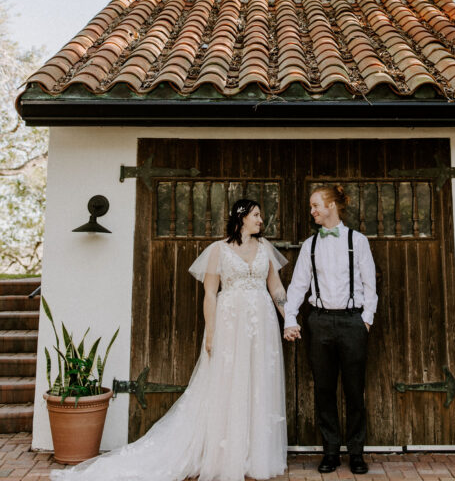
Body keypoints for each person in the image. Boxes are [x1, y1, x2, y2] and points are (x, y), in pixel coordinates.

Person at [51, 199, 288, 481]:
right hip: (230, 324)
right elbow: (210, 293)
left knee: (257, 383)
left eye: (260, 215)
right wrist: (211, 332)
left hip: (262, 325)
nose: (262, 220)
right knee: (227, 384)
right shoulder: (219, 250)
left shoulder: (265, 249)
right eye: (257, 215)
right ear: (241, 218)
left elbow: (276, 287)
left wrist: (290, 318)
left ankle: (253, 454)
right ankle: (226, 454)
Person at [283, 185, 377, 476]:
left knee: (353, 390)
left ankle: (357, 453)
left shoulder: (357, 240)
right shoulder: (310, 245)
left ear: (331, 206)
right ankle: (331, 452)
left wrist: (366, 319)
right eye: (311, 206)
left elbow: (369, 282)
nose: (312, 211)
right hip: (320, 321)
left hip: (352, 322)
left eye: (315, 205)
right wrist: (290, 318)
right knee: (324, 390)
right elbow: (298, 285)